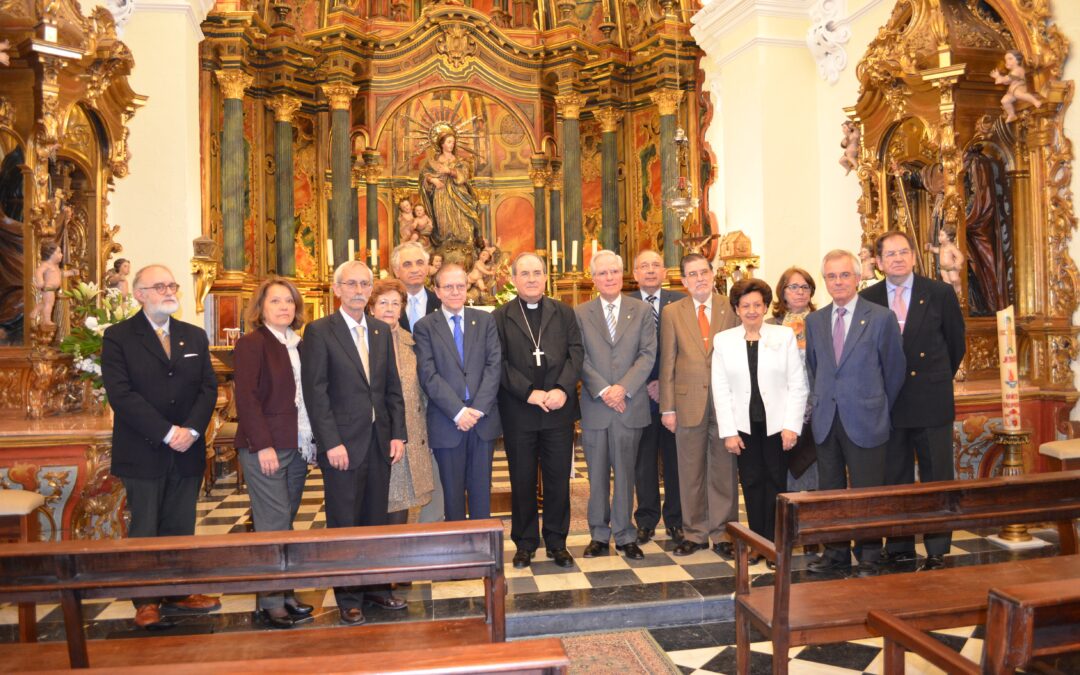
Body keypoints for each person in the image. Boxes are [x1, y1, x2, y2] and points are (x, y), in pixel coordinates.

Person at [101, 265, 220, 629]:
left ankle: (179, 591)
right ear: (139, 294)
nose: (169, 291)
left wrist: (193, 431)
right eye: (159, 286)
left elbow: (208, 388)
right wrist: (168, 432)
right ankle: (146, 599)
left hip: (188, 448)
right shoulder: (118, 337)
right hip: (144, 448)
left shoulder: (194, 336)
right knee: (146, 526)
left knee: (181, 524)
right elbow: (121, 395)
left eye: (172, 284)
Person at [300, 260, 408, 625]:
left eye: (365, 284)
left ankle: (378, 587)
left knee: (376, 520)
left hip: (379, 443)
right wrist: (330, 442)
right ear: (337, 289)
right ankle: (348, 596)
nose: (359, 290)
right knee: (345, 522)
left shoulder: (379, 330)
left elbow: (391, 388)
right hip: (342, 446)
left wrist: (397, 433)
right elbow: (316, 394)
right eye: (352, 284)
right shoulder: (319, 332)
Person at [863, 230, 965, 571]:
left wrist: (936, 380)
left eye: (903, 252)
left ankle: (937, 546)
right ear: (878, 262)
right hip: (889, 403)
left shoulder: (939, 293)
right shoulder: (869, 297)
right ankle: (900, 543)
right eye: (889, 254)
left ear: (913, 256)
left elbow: (955, 344)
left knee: (937, 475)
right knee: (895, 477)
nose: (897, 258)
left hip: (931, 400)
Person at [804, 250, 905, 578]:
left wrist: (874, 404)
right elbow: (815, 368)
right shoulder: (815, 320)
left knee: (867, 493)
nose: (838, 282)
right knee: (830, 493)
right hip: (826, 420)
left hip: (866, 418)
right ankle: (835, 554)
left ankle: (870, 556)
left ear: (858, 277)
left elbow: (893, 370)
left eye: (844, 275)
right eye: (831, 276)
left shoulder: (880, 317)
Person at [232, 277, 315, 629]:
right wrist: (262, 444)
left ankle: (284, 591)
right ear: (261, 308)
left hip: (296, 445)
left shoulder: (300, 344)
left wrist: (311, 441)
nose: (284, 307)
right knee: (272, 523)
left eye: (289, 302)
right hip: (265, 446)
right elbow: (247, 399)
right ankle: (270, 600)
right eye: (275, 301)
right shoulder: (252, 344)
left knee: (286, 521)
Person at [493, 252, 583, 569]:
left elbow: (576, 354)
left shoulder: (564, 313)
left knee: (558, 480)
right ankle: (525, 543)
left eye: (537, 272)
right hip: (520, 411)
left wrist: (561, 388)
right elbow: (498, 363)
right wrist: (529, 393)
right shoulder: (500, 317)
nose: (532, 278)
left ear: (546, 277)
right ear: (514, 279)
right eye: (525, 273)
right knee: (522, 480)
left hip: (558, 410)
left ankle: (557, 542)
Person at [712, 278, 807, 564]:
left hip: (777, 426)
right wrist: (729, 431)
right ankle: (756, 542)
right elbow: (721, 388)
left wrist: (792, 425)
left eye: (757, 305)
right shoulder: (724, 340)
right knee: (752, 483)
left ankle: (777, 545)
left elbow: (797, 384)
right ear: (736, 309)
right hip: (744, 426)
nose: (752, 310)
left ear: (765, 306)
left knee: (776, 482)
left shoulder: (783, 336)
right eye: (745, 306)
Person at [576, 250, 656, 560]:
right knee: (596, 474)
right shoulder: (581, 313)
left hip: (629, 404)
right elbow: (578, 356)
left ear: (621, 275)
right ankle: (598, 534)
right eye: (602, 273)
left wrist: (623, 388)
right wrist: (605, 389)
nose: (608, 277)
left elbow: (647, 354)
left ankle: (625, 535)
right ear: (593, 279)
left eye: (613, 272)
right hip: (597, 406)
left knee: (625, 473)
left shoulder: (641, 311)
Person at [658, 254, 739, 559]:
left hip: (724, 402)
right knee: (690, 470)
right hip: (686, 401)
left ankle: (723, 533)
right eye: (692, 274)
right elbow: (668, 361)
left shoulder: (728, 307)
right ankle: (694, 533)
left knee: (723, 470)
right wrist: (668, 408)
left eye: (703, 272)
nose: (699, 278)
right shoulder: (671, 312)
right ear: (683, 281)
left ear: (712, 273)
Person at [413, 264, 502, 521]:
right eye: (448, 287)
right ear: (437, 291)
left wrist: (478, 409)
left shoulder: (485, 320)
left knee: (481, 493)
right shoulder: (425, 326)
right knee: (452, 499)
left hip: (482, 421)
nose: (455, 291)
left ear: (467, 289)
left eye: (460, 286)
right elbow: (428, 375)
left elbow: (493, 366)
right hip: (447, 422)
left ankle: (482, 553)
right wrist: (458, 411)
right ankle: (459, 553)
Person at [366, 278, 442, 525]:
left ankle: (396, 556)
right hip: (378, 437)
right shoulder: (361, 342)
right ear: (371, 307)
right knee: (378, 505)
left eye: (395, 303)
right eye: (383, 302)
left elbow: (425, 389)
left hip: (411, 436)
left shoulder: (412, 342)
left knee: (403, 502)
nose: (389, 308)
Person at [629, 249, 686, 545]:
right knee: (644, 461)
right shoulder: (625, 305)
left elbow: (686, 350)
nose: (650, 271)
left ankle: (676, 520)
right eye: (644, 266)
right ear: (635, 273)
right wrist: (645, 383)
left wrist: (664, 384)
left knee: (675, 460)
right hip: (639, 396)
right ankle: (647, 520)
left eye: (655, 266)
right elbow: (624, 355)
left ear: (665, 272)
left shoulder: (680, 302)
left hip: (673, 396)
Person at [768, 267, 818, 493]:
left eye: (805, 287)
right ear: (782, 291)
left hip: (815, 404)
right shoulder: (768, 326)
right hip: (779, 406)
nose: (800, 292)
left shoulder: (821, 321)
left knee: (812, 463)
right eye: (794, 287)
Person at [420, 129, 481, 247]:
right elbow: (424, 175)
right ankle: (445, 246)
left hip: (459, 194)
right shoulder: (433, 162)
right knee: (444, 224)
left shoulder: (459, 161)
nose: (451, 145)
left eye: (453, 142)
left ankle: (465, 246)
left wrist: (450, 171)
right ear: (442, 144)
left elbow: (464, 176)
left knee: (463, 221)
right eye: (449, 142)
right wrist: (433, 180)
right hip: (441, 194)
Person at [391, 241, 441, 332]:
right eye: (407, 264)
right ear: (396, 271)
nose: (415, 270)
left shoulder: (441, 303)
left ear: (427, 268)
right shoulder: (387, 306)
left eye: (420, 263)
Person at [30, 240, 75, 326]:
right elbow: (38, 272)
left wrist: (71, 273)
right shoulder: (46, 265)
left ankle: (35, 311)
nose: (61, 255)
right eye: (59, 253)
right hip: (48, 288)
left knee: (46, 303)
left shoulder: (55, 266)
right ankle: (46, 320)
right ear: (50, 254)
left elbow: (61, 274)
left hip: (52, 289)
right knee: (49, 304)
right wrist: (40, 281)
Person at [991, 50, 1042, 123]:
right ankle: (1012, 114)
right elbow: (1007, 82)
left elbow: (1008, 78)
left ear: (1018, 60)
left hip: (1019, 88)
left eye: (1010, 59)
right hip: (1012, 91)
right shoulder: (1012, 71)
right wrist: (998, 78)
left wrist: (999, 77)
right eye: (1006, 60)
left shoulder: (1018, 70)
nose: (1007, 62)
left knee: (1018, 94)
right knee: (1004, 101)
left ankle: (1035, 101)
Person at [926, 228, 964, 297]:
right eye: (939, 235)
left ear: (948, 238)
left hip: (951, 268)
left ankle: (958, 288)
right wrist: (930, 248)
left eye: (942, 235)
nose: (939, 237)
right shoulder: (941, 247)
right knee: (947, 283)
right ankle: (951, 295)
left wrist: (957, 264)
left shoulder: (951, 247)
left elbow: (960, 256)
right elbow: (936, 250)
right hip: (943, 268)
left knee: (954, 279)